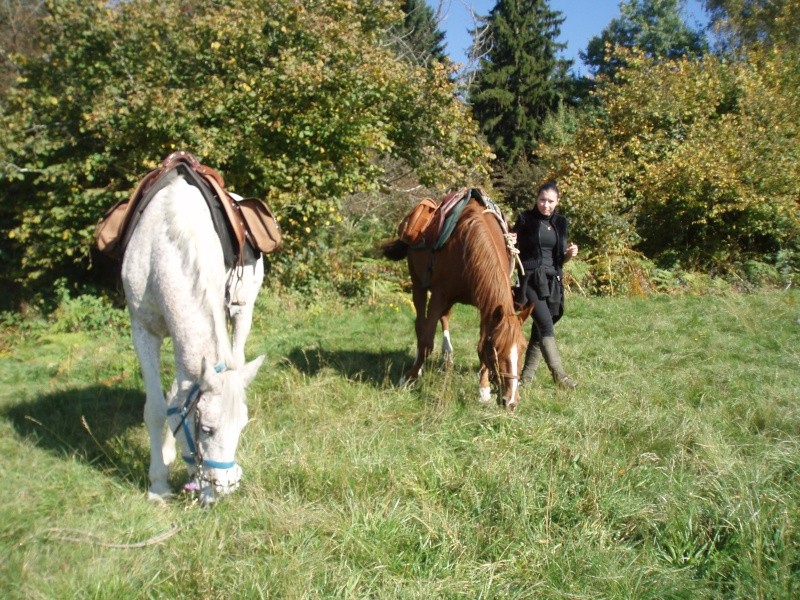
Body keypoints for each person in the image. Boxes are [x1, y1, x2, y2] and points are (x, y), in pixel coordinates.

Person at [510, 181, 579, 389]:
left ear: (557, 202)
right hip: (530, 278)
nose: (545, 205)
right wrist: (511, 240)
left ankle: (526, 379)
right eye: (542, 200)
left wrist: (568, 255)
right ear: (536, 199)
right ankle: (561, 376)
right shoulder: (525, 219)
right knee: (546, 325)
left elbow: (559, 258)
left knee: (539, 330)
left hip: (553, 279)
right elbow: (512, 244)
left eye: (550, 201)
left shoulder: (561, 222)